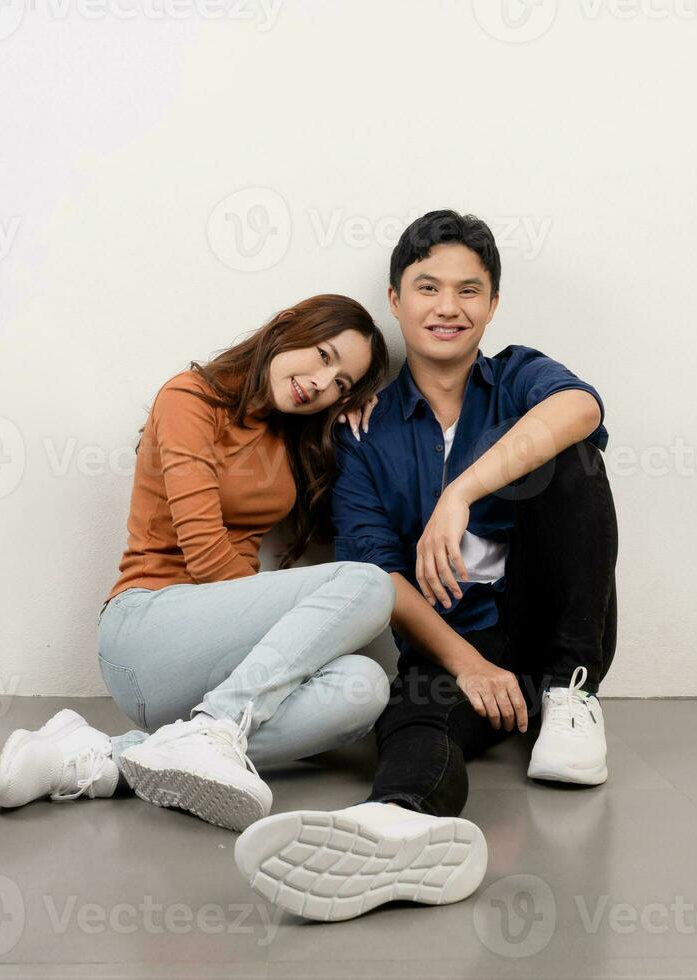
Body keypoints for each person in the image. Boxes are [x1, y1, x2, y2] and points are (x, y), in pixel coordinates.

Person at [233, 211, 619, 920]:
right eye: (428, 288)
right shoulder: (362, 434)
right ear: (395, 299)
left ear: (493, 304)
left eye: (470, 290)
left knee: (572, 453)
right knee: (410, 713)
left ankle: (569, 696)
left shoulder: (518, 378)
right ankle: (396, 828)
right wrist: (467, 664)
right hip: (451, 643)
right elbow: (375, 576)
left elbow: (582, 407)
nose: (449, 308)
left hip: (546, 629)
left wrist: (461, 492)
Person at [0, 294, 395, 832]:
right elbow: (203, 554)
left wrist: (349, 425)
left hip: (212, 664)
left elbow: (325, 532)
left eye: (341, 384)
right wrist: (274, 631)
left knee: (365, 685)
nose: (322, 383)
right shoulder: (190, 398)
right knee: (368, 585)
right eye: (323, 356)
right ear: (286, 327)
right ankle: (215, 729)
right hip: (147, 629)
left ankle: (102, 758)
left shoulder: (291, 437)